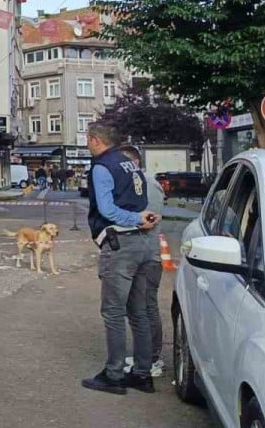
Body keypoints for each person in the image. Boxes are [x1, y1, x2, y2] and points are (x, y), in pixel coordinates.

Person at [80, 123, 158, 395]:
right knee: (139, 312)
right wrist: (143, 218)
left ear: (95, 139)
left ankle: (113, 375)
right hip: (145, 244)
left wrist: (135, 219)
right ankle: (142, 374)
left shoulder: (102, 166)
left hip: (121, 243)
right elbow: (140, 199)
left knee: (113, 312)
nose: (87, 143)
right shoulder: (129, 163)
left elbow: (107, 208)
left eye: (87, 139)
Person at [119, 145, 166, 378]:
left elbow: (150, 220)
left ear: (134, 163)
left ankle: (153, 359)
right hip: (137, 255)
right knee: (138, 307)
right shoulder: (135, 184)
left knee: (146, 307)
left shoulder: (148, 184)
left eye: (123, 164)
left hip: (148, 256)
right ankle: (143, 356)